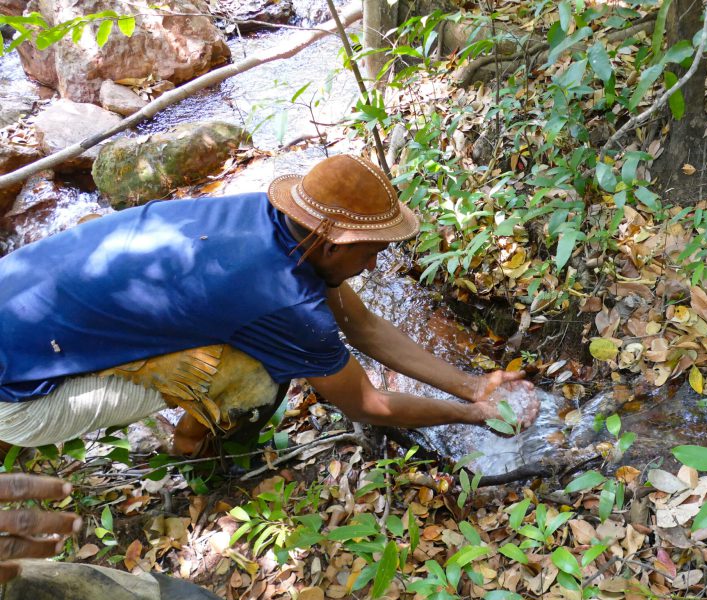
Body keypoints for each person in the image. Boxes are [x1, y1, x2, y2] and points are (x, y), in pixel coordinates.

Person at [0, 152, 539, 577]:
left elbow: (364, 326)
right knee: (258, 374)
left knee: (252, 345)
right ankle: (200, 451)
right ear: (331, 244)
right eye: (370, 249)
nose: (375, 262)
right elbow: (366, 403)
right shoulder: (284, 301)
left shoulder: (268, 220)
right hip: (21, 402)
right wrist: (471, 416)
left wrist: (473, 385)